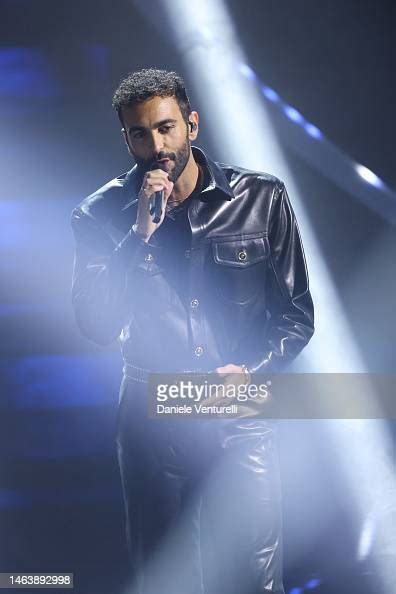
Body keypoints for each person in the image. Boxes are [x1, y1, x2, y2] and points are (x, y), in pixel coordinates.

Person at [71, 68, 314, 594]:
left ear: (192, 125)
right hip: (152, 421)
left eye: (166, 128)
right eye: (140, 133)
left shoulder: (261, 198)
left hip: (238, 416)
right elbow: (96, 323)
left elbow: (298, 316)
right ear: (126, 138)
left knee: (254, 578)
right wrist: (138, 235)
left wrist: (251, 372)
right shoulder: (100, 214)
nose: (156, 144)